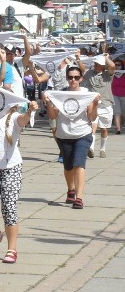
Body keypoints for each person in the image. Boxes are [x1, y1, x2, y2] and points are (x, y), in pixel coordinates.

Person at [0, 101, 38, 264]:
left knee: (9, 208)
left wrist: (29, 111)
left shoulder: (13, 116)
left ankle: (12, 249)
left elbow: (23, 119)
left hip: (11, 169)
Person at [43, 65, 100, 209]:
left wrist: (95, 103)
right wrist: (49, 103)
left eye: (76, 77)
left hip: (82, 134)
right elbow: (53, 116)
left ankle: (79, 198)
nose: (73, 80)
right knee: (68, 166)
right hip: (64, 134)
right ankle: (71, 190)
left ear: (81, 78)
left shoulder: (86, 93)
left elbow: (92, 117)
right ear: (66, 78)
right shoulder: (61, 94)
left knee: (78, 164)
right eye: (70, 77)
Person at [80, 53, 114, 157]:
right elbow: (82, 70)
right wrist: (78, 59)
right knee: (92, 126)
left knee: (104, 128)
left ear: (103, 66)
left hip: (106, 104)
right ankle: (91, 148)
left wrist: (106, 58)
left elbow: (112, 66)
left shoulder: (108, 74)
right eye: (95, 63)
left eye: (97, 63)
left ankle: (102, 149)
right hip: (93, 104)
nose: (95, 65)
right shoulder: (90, 72)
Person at [112, 58, 125, 135]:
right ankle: (118, 128)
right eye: (115, 65)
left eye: (118, 65)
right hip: (114, 95)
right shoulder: (111, 74)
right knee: (117, 112)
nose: (116, 66)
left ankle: (121, 124)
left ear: (122, 66)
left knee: (123, 112)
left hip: (124, 95)